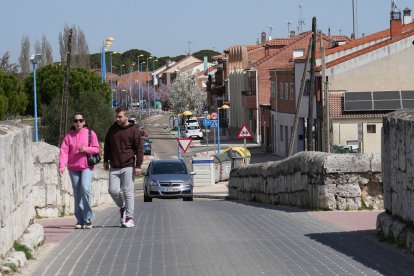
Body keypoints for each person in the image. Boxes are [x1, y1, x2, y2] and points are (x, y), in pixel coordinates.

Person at [59, 113, 100, 229]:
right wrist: (61, 167)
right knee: (77, 194)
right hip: (73, 168)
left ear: (84, 122)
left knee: (85, 188)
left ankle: (88, 218)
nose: (78, 123)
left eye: (80, 120)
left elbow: (97, 149)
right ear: (73, 122)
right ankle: (80, 219)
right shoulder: (68, 136)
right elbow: (63, 152)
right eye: (75, 121)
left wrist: (86, 149)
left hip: (86, 167)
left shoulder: (90, 133)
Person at [104, 107, 143, 228]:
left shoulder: (134, 130)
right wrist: (105, 160)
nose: (117, 119)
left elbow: (139, 149)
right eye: (116, 116)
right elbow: (107, 145)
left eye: (120, 117)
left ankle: (129, 218)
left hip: (128, 165)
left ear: (126, 117)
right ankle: (123, 207)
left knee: (128, 192)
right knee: (112, 190)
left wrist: (138, 165)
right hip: (114, 165)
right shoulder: (112, 129)